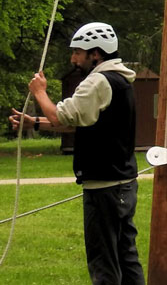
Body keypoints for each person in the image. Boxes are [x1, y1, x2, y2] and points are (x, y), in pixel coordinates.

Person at [9, 22, 144, 285]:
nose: (73, 58)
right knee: (125, 257)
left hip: (105, 186)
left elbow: (62, 115)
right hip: (122, 184)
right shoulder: (118, 80)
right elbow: (76, 121)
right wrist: (35, 122)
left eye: (78, 52)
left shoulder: (98, 81)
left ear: (96, 53)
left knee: (104, 261)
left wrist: (39, 92)